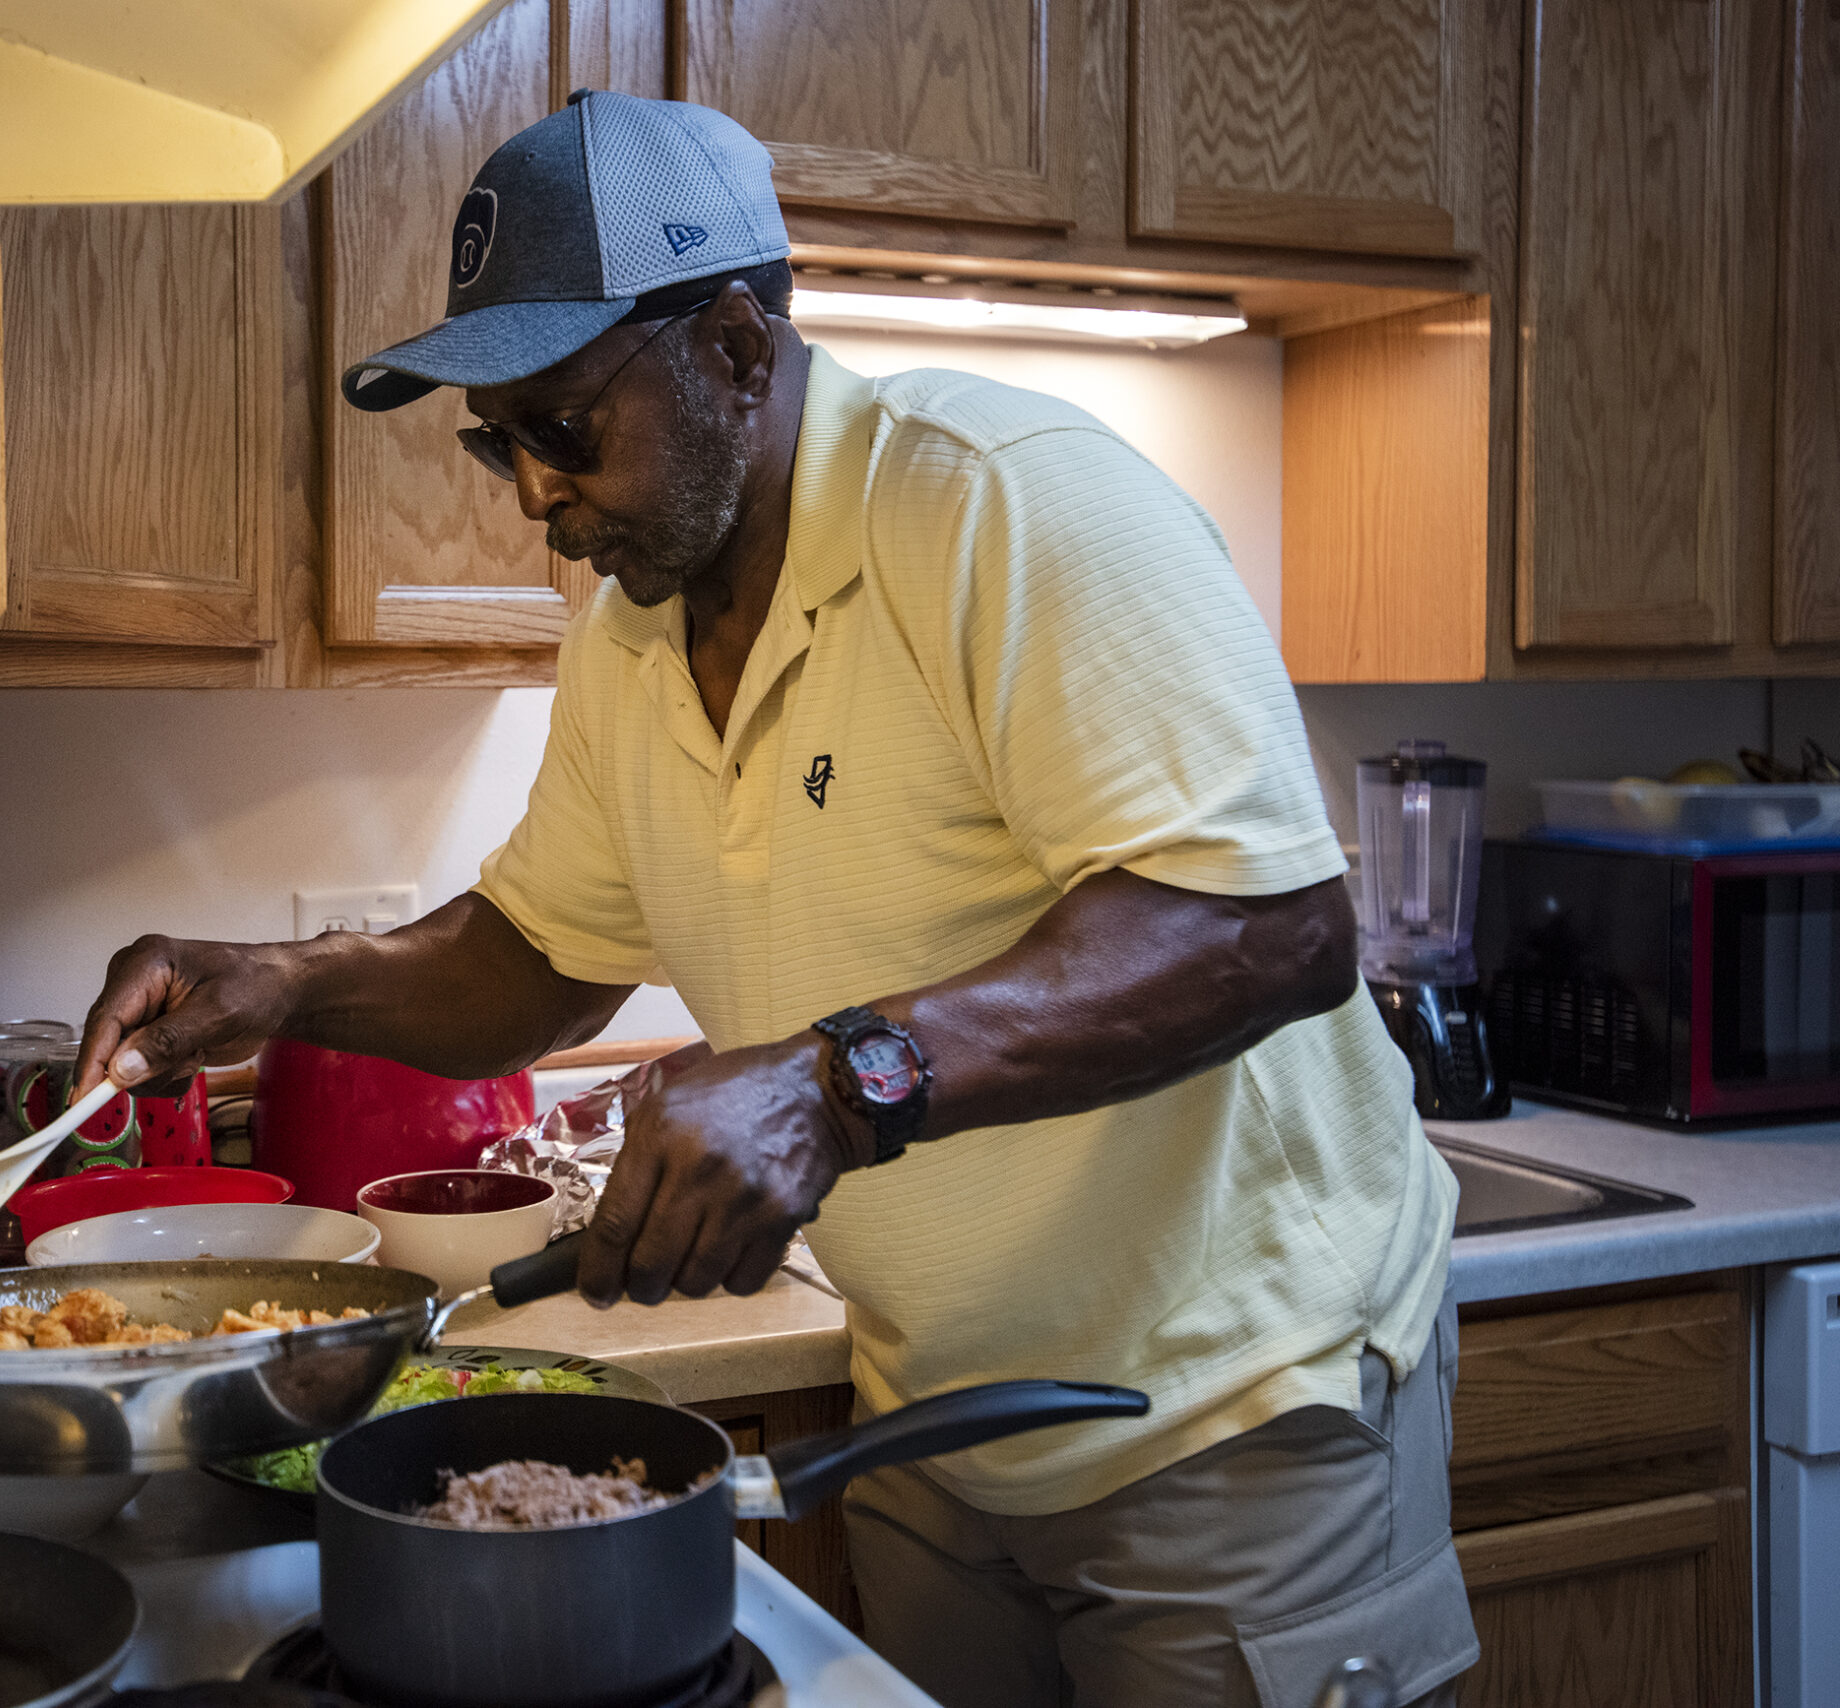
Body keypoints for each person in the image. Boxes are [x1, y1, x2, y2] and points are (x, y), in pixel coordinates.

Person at [72, 92, 1475, 1707]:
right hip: (934, 1423)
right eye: (493, 440)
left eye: (564, 428)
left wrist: (829, 1083)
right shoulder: (634, 627)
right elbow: (534, 960)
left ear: (736, 349)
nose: (531, 495)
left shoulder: (1007, 507)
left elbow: (1269, 931)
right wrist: (289, 981)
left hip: (1228, 1426)